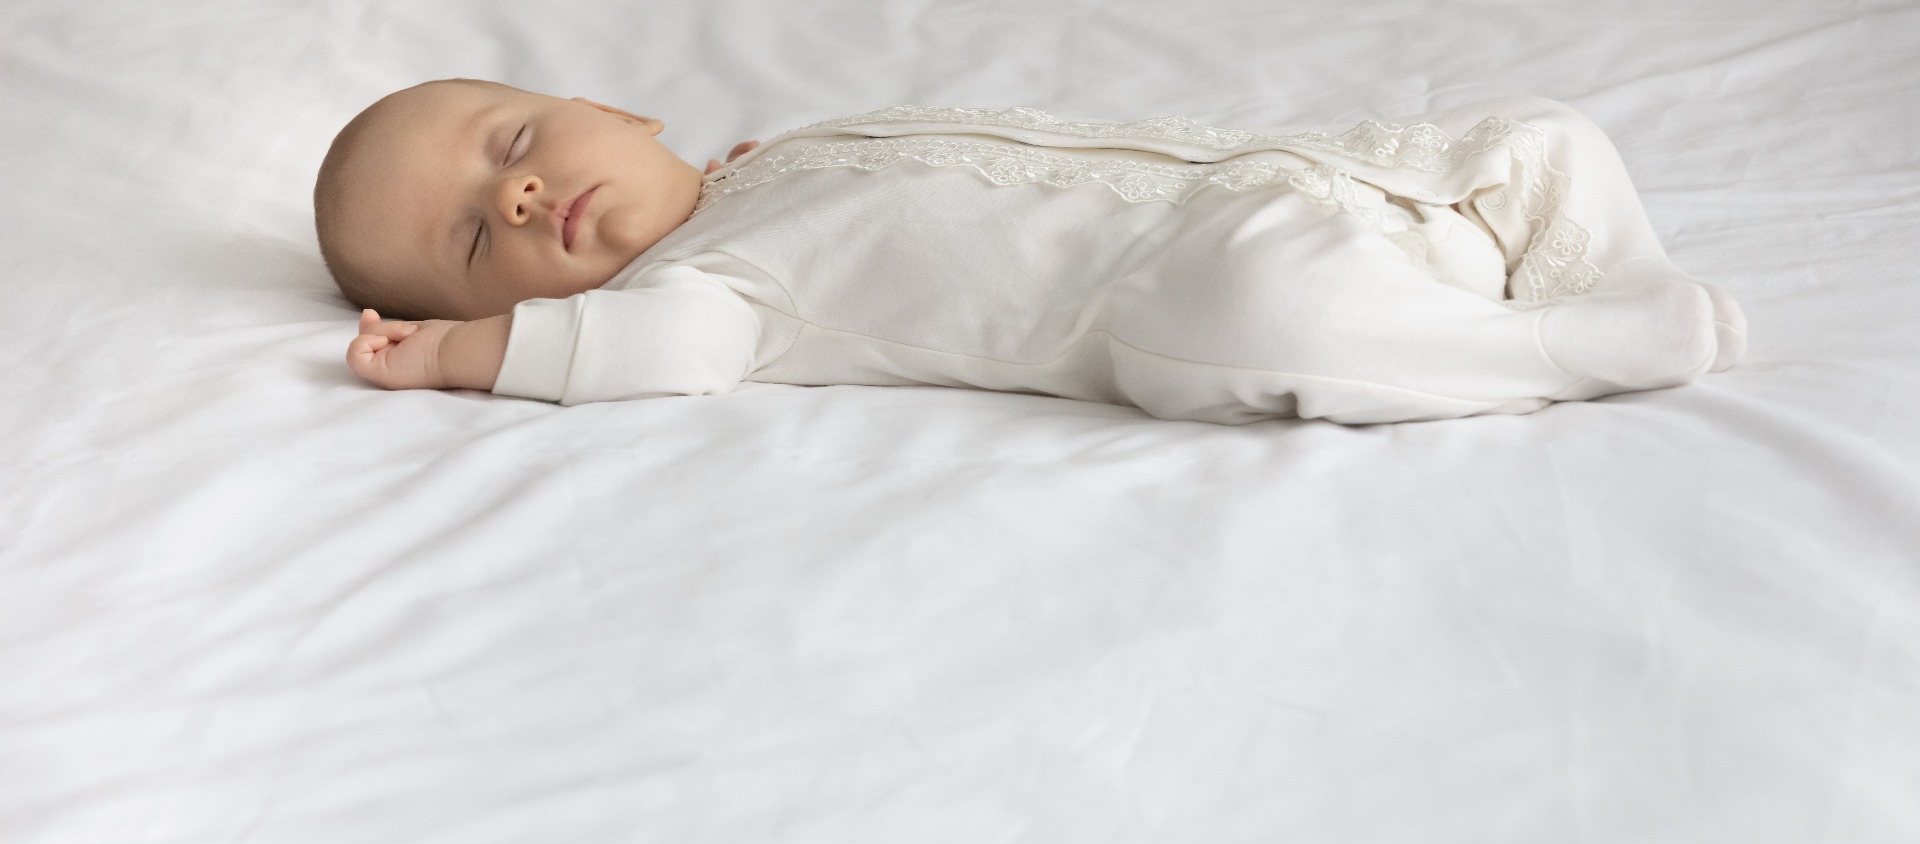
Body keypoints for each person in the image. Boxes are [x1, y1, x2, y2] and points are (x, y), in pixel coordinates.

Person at [317, 78, 1745, 425]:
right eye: (473, 241)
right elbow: (661, 355)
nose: (521, 197)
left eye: (513, 146)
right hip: (1190, 288)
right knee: (1259, 315)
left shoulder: (777, 155)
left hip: (1310, 183)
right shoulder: (702, 288)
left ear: (619, 113)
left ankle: (1604, 269)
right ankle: (1548, 347)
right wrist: (457, 358)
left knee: (1528, 131)